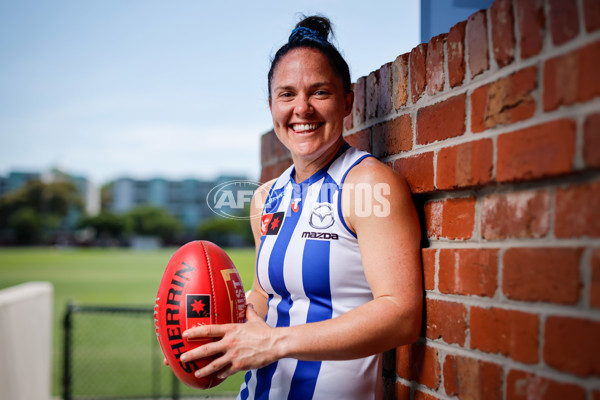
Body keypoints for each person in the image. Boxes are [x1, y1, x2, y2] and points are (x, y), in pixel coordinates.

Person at [180, 15, 423, 400]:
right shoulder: (265, 198)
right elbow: (265, 294)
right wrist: (221, 334)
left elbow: (401, 314)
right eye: (287, 94)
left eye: (320, 92)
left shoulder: (368, 185)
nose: (302, 108)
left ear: (347, 101)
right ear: (272, 106)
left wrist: (275, 343)